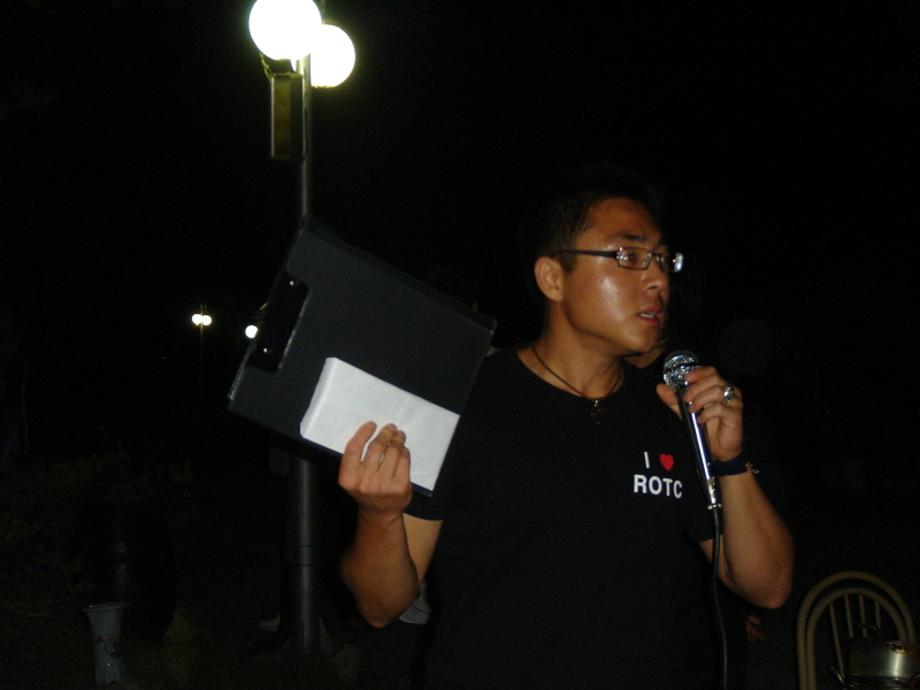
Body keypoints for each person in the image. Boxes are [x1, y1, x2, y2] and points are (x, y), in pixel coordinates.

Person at [337, 163, 794, 688]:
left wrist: (729, 461)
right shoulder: (467, 403)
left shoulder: (669, 413)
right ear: (553, 277)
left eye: (664, 260)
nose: (658, 280)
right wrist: (378, 514)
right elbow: (379, 606)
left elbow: (768, 587)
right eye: (629, 256)